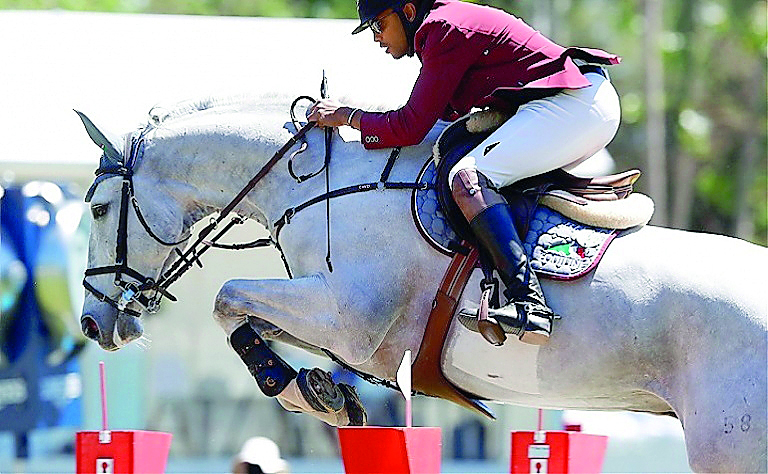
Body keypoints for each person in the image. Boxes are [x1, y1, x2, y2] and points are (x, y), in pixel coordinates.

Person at [308, 0, 621, 345]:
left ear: (408, 13)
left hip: (575, 104)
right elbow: (428, 119)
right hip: (575, 104)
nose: (376, 38)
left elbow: (411, 127)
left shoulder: (442, 29)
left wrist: (348, 116)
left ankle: (530, 304)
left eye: (378, 26)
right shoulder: (442, 29)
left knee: (468, 179)